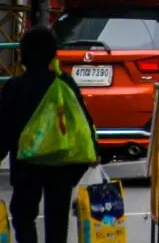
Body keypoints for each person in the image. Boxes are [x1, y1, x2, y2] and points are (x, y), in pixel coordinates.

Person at [0, 26, 98, 243]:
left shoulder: (16, 87)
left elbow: (4, 128)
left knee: (23, 214)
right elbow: (83, 121)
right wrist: (93, 152)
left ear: (23, 55)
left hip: (27, 165)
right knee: (57, 218)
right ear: (53, 53)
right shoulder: (64, 84)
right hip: (62, 164)